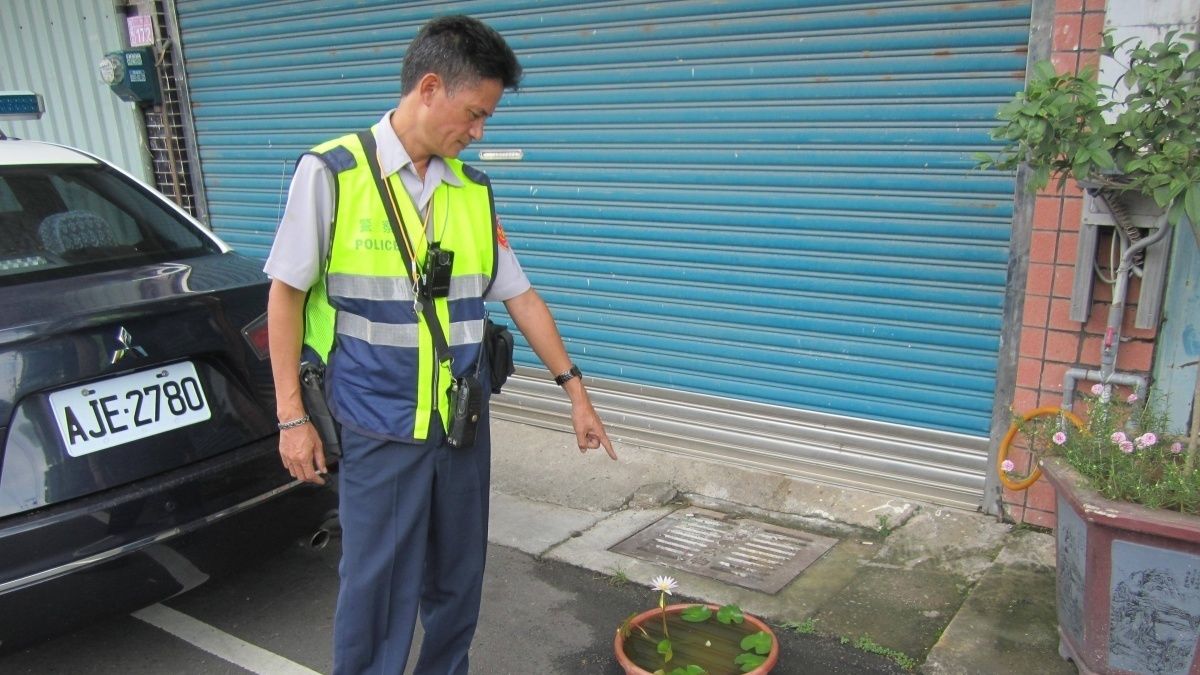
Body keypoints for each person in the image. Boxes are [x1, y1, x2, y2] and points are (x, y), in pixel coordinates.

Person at [263, 15, 617, 674]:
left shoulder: (472, 191)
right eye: (474, 113)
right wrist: (291, 415)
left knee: (457, 583)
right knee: (376, 591)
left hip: (461, 423)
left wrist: (577, 392)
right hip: (379, 423)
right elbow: (283, 296)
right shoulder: (333, 174)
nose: (479, 131)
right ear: (430, 87)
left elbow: (522, 297)